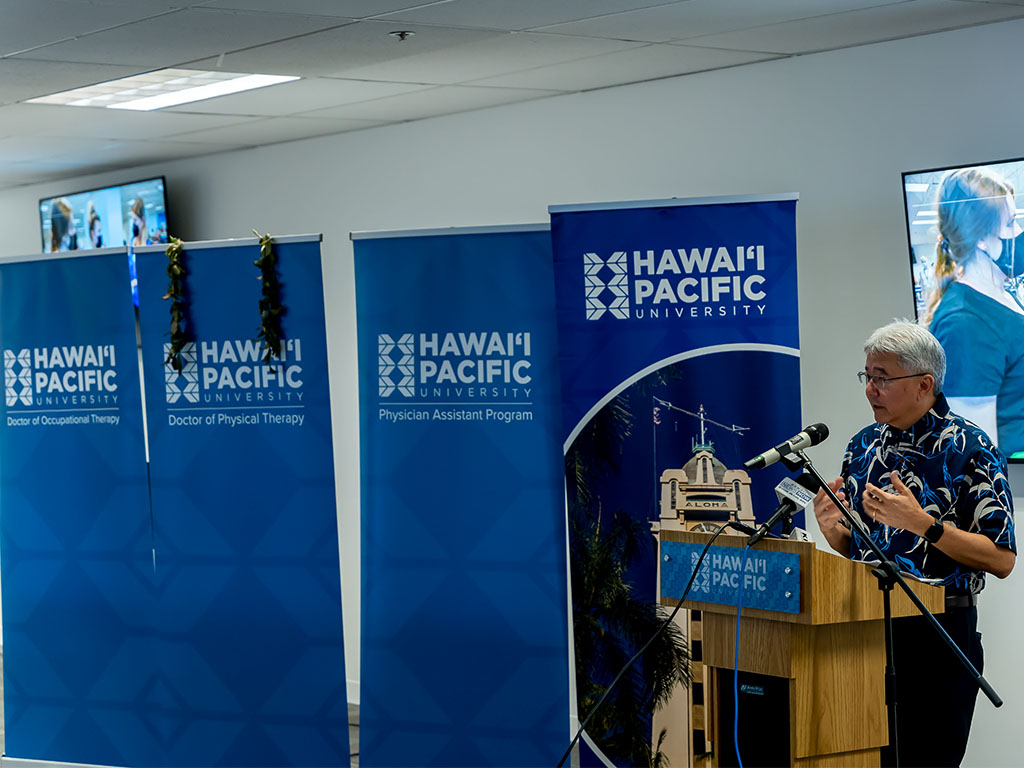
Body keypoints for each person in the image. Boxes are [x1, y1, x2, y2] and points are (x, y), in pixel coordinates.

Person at [813, 320, 1015, 768]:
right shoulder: (863, 447)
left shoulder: (971, 447)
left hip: (938, 635)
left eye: (883, 377)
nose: (871, 390)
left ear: (924, 384)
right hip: (865, 630)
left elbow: (1001, 559)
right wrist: (838, 537)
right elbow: (870, 553)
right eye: (868, 376)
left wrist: (926, 525)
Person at [922, 167, 1024, 455]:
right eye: (1011, 223)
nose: (1019, 234)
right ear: (981, 238)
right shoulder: (965, 323)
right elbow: (975, 454)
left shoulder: (1002, 296)